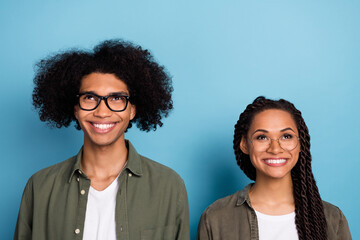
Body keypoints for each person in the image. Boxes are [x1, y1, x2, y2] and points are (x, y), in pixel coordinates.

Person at [14, 39, 190, 240]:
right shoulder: (40, 187)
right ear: (76, 109)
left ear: (132, 110)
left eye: (116, 98)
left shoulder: (168, 186)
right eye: (90, 98)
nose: (102, 112)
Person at [197, 96, 351, 240]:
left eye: (286, 136)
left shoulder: (332, 218)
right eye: (262, 137)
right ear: (244, 144)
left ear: (300, 144)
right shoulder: (215, 217)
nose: (275, 149)